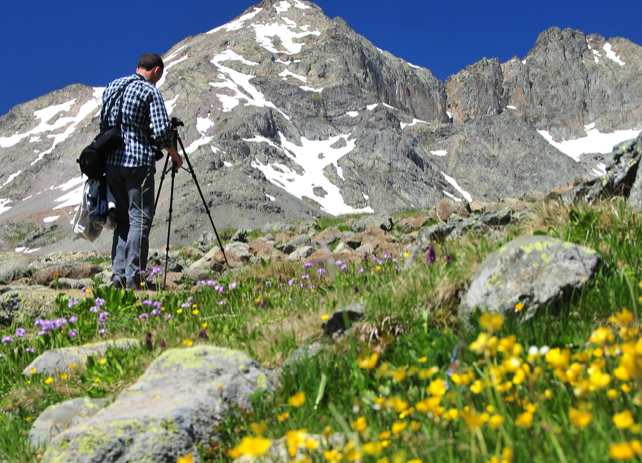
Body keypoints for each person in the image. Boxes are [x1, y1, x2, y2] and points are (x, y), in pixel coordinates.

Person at [102, 53, 183, 289]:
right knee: (140, 220)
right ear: (156, 71)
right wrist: (174, 155)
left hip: (111, 163)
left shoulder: (112, 87)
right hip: (137, 162)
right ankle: (134, 279)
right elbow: (161, 132)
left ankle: (118, 278)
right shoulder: (150, 92)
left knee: (122, 221)